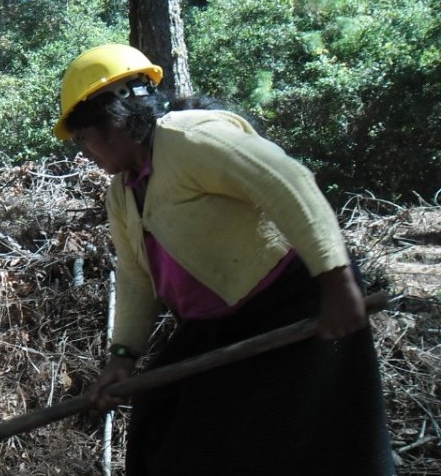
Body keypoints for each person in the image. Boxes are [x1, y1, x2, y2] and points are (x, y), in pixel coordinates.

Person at [55, 44, 394, 475]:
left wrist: (336, 278)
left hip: (294, 304)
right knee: (161, 424)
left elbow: (287, 183)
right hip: (214, 327)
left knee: (318, 445)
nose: (84, 151)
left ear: (113, 118)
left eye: (83, 137)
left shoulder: (191, 139)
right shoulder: (122, 193)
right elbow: (137, 276)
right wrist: (122, 357)